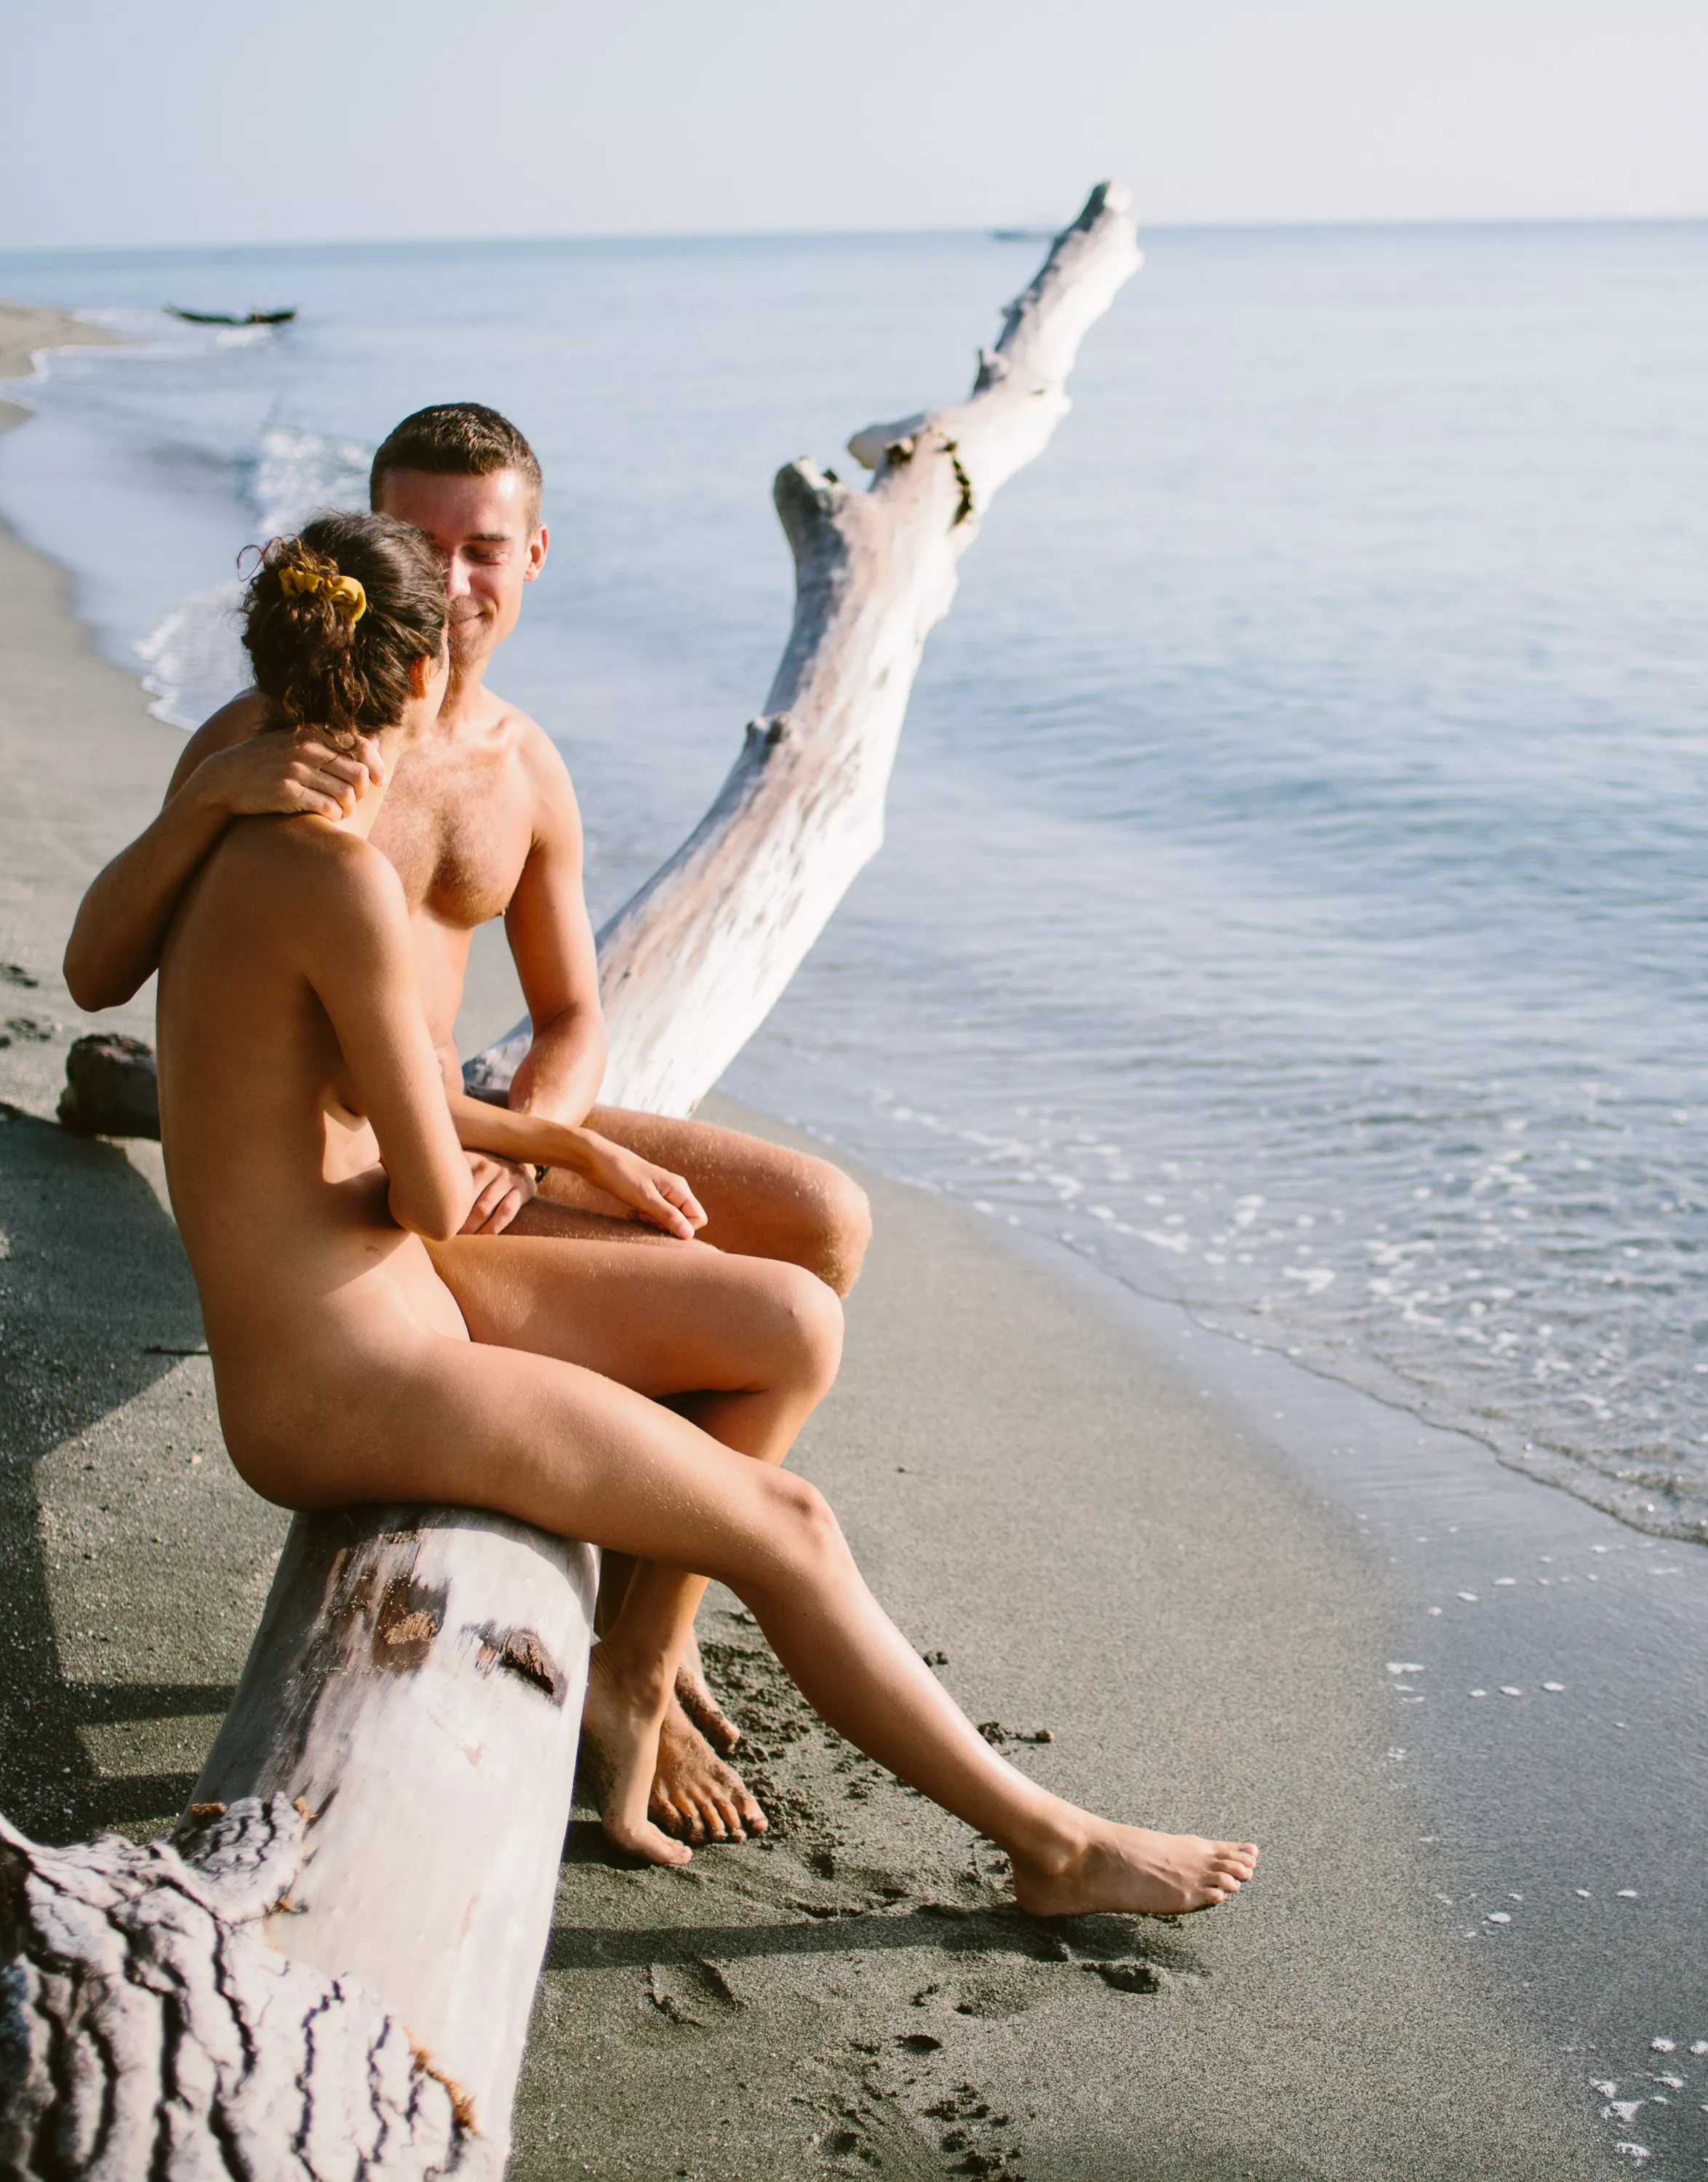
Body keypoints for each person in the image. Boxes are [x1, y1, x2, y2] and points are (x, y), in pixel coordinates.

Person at [151, 509, 1255, 1909]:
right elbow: (425, 1188)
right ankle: (1050, 1844)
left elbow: (325, 1094)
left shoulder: (238, 839)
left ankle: (641, 1656)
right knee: (785, 1523)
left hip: (366, 1308)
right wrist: (497, 1158)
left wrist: (554, 1143)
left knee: (786, 1323)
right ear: (422, 673)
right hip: (346, 1373)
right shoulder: (346, 882)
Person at [65, 403, 853, 1845]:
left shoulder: (524, 767)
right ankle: (641, 1590)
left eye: (483, 546)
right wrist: (204, 805)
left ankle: (647, 1640)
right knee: (763, 1313)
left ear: (534, 555)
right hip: (359, 1206)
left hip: (464, 1138)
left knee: (822, 1221)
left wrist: (532, 1133)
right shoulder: (275, 741)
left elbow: (572, 1015)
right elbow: (98, 972)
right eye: (420, 542)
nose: (453, 576)